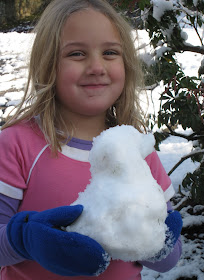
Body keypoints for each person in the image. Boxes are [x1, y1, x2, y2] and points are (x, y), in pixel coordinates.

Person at [0, 0, 183, 279]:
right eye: (77, 53)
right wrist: (24, 238)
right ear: (48, 65)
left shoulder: (137, 152)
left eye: (110, 52)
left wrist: (158, 243)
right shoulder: (17, 146)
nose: (97, 66)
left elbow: (171, 256)